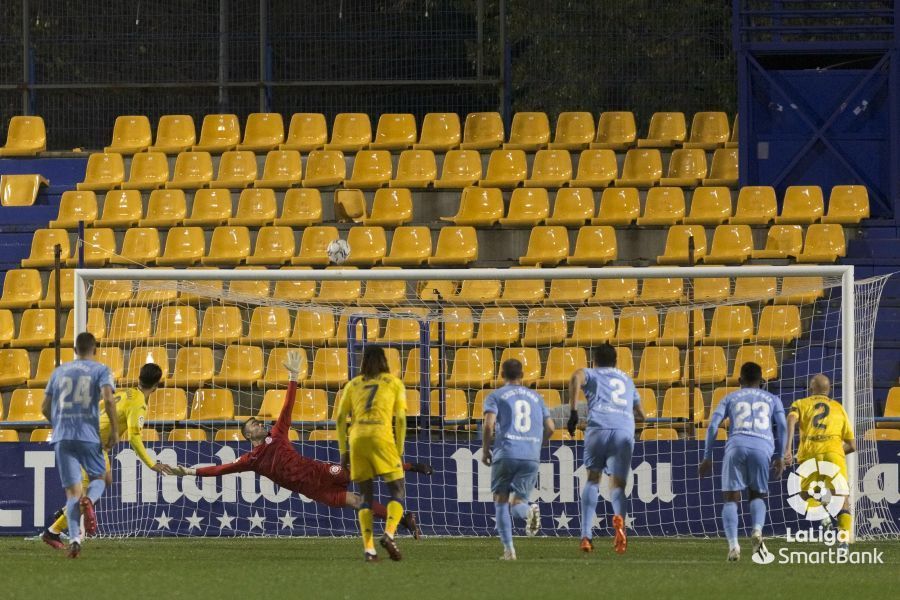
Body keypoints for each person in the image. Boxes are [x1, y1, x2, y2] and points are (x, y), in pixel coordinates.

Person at [171, 351, 431, 542]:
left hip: (319, 472)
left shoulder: (278, 433)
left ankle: (411, 466)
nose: (259, 424)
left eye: (258, 421)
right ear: (248, 434)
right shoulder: (251, 459)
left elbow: (288, 405)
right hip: (313, 491)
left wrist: (293, 376)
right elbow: (221, 469)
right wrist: (190, 472)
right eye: (253, 424)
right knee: (357, 501)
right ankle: (406, 519)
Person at [42, 363, 173, 550]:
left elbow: (101, 404)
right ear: (156, 386)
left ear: (138, 379)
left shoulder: (126, 393)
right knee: (90, 493)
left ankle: (62, 515)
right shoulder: (138, 405)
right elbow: (135, 440)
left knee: (103, 482)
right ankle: (53, 530)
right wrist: (152, 464)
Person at [699, 362, 787, 562]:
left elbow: (713, 425)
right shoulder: (773, 399)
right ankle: (757, 530)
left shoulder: (729, 397)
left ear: (739, 381)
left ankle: (733, 546)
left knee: (730, 498)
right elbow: (782, 425)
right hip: (762, 447)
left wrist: (706, 456)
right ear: (762, 381)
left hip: (736, 445)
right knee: (757, 494)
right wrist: (781, 456)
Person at [41, 332, 118, 558]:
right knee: (101, 478)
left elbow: (45, 407)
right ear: (94, 350)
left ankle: (74, 539)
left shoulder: (59, 371)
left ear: (75, 350)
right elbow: (109, 399)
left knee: (72, 493)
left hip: (62, 436)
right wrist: (114, 430)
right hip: (88, 434)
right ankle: (90, 500)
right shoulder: (101, 370)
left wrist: (59, 424)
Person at [568, 343, 645, 554]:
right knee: (618, 485)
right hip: (623, 430)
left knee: (593, 479)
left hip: (598, 428)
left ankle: (586, 536)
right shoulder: (626, 379)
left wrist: (574, 412)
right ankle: (620, 528)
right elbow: (641, 414)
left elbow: (576, 377)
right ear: (616, 361)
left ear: (594, 361)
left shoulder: (591, 374)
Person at [335, 346, 409, 562]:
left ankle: (369, 550)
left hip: (357, 439)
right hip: (381, 436)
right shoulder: (394, 383)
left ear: (363, 362)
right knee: (397, 490)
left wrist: (343, 450)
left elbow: (340, 418)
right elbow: (402, 419)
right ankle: (389, 534)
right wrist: (399, 447)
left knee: (365, 496)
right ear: (385, 361)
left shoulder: (353, 384)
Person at [481, 358, 554, 560]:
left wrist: (486, 449)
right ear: (522, 376)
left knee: (501, 500)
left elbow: (488, 425)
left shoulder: (496, 396)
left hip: (506, 452)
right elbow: (551, 428)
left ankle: (509, 550)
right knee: (519, 501)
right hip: (531, 454)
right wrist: (538, 444)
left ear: (501, 375)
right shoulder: (536, 397)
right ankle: (528, 510)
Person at [784, 373, 855, 545]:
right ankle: (843, 541)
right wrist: (836, 452)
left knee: (804, 495)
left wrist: (788, 449)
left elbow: (791, 419)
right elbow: (852, 445)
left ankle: (823, 516)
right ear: (829, 389)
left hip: (810, 453)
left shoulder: (800, 404)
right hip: (834, 453)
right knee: (842, 499)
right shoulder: (839, 408)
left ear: (810, 388)